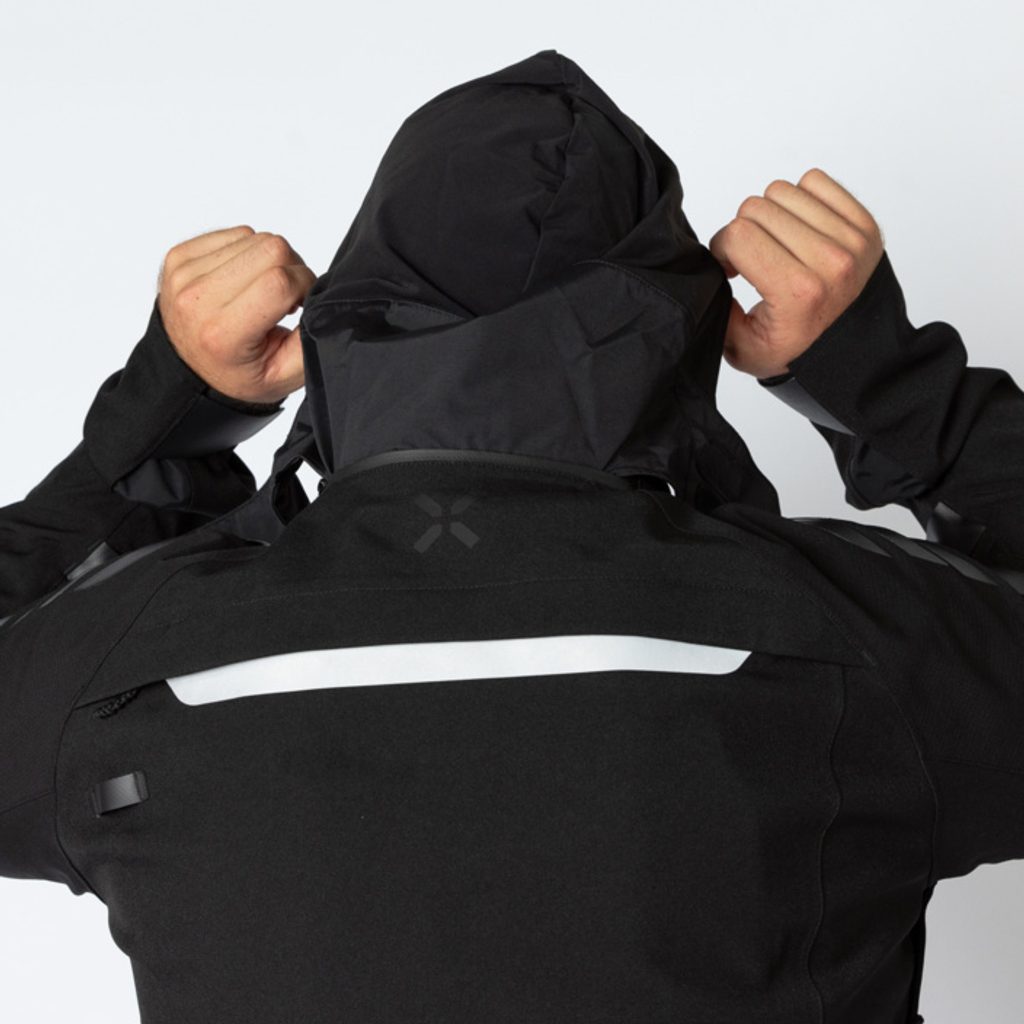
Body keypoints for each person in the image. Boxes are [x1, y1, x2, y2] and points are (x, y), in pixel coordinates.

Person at [1, 48, 1021, 1024]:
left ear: (348, 323)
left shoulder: (133, 657)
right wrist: (889, 385)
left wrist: (169, 418)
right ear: (676, 330)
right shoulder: (849, 637)